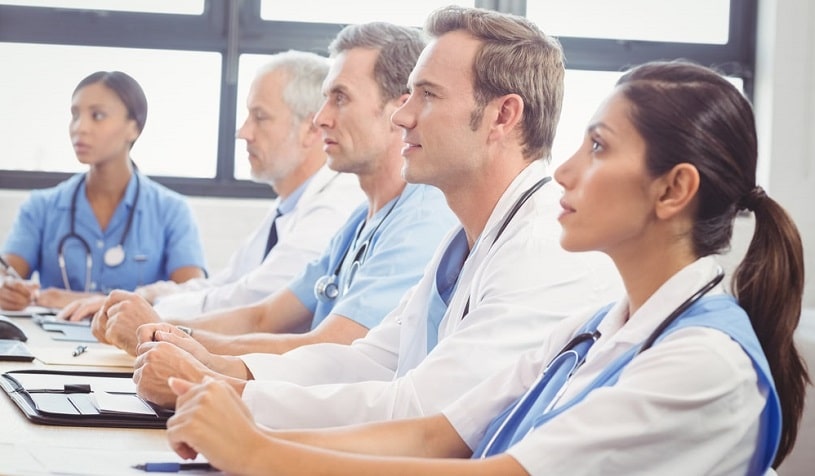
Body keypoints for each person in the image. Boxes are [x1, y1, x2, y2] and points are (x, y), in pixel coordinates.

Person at [163, 58, 809, 475]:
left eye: (598, 147)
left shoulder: (703, 367)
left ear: (672, 191)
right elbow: (432, 437)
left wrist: (255, 448)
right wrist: (244, 417)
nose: (564, 170)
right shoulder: (592, 329)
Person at [131, 3, 621, 421]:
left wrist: (223, 393)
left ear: (502, 116)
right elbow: (370, 361)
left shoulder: (545, 250)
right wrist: (215, 366)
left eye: (427, 95)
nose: (402, 116)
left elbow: (421, 411)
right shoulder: (465, 241)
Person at [90, 22, 459, 358]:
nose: (321, 118)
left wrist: (158, 334)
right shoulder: (359, 221)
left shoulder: (422, 219)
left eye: (340, 98)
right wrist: (157, 328)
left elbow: (330, 348)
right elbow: (263, 315)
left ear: (400, 107)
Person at [57, 51, 364, 321]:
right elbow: (225, 283)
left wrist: (152, 311)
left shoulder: (333, 208)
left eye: (260, 117)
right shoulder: (288, 206)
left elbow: (253, 299)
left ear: (310, 129)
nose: (243, 132)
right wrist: (142, 298)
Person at [0, 71, 206, 312]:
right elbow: (8, 276)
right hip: (49, 344)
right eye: (75, 115)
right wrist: (7, 290)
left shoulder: (172, 210)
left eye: (97, 116)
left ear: (134, 128)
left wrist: (80, 300)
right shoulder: (40, 206)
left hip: (135, 346)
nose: (80, 128)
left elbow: (193, 296)